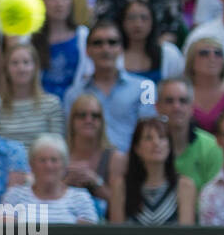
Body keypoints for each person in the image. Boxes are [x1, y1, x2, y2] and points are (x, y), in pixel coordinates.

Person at [64, 18, 159, 149]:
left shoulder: (145, 87)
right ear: (87, 50)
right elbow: (70, 136)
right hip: (89, 163)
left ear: (121, 48)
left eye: (112, 42)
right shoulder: (74, 93)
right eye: (98, 43)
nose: (105, 48)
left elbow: (150, 131)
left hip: (133, 163)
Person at [108, 116, 196, 223]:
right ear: (137, 148)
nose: (156, 143)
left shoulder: (185, 186)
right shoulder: (121, 186)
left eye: (162, 137)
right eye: (148, 138)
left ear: (169, 146)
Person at [1, 135, 99, 224]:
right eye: (42, 160)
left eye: (54, 160)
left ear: (64, 165)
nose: (48, 166)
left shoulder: (80, 198)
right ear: (31, 165)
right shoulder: (14, 196)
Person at [156, 77, 223, 191]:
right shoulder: (149, 146)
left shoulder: (212, 147)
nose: (176, 107)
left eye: (183, 101)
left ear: (192, 107)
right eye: (169, 101)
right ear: (157, 107)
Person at [65, 92, 124, 219]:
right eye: (82, 115)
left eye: (95, 116)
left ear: (102, 121)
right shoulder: (60, 155)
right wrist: (66, 183)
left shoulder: (115, 158)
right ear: (72, 121)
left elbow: (120, 205)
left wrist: (96, 182)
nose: (89, 120)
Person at [0, 38, 64, 144]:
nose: (21, 68)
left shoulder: (52, 104)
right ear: (6, 69)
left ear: (35, 67)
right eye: (15, 63)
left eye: (26, 62)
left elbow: (57, 146)